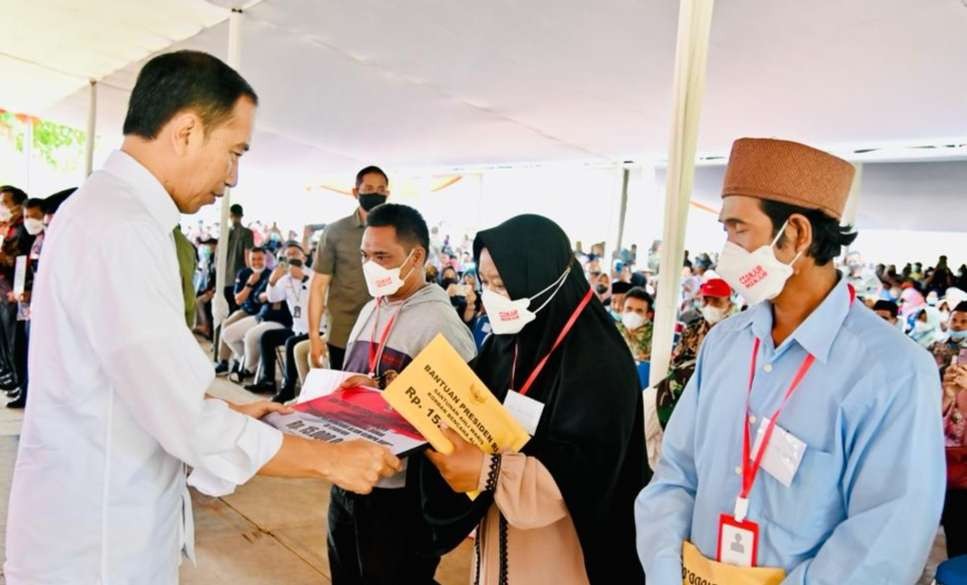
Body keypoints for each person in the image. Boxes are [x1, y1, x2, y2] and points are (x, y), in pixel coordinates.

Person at [3, 50, 400, 585]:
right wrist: (331, 460)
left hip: (103, 522)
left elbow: (127, 381)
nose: (233, 175)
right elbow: (180, 418)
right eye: (234, 150)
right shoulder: (120, 226)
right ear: (187, 131)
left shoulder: (113, 213)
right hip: (98, 546)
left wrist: (227, 409)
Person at [635, 138, 944, 584]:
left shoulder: (891, 371)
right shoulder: (725, 345)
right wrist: (664, 573)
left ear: (796, 234)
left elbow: (885, 540)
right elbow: (675, 476)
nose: (727, 251)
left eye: (738, 229)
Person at [415, 214, 648, 585]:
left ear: (542, 280)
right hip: (498, 539)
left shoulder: (599, 361)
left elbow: (587, 472)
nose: (490, 295)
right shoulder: (506, 342)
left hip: (560, 552)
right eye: (485, 281)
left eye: (503, 284)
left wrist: (488, 470)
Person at [327, 203, 477, 585]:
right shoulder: (370, 308)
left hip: (397, 496)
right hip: (348, 478)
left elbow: (460, 423)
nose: (370, 266)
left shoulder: (442, 326)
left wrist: (395, 397)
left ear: (416, 257)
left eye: (382, 256)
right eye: (365, 256)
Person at [646, 278, 738, 464]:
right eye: (706, 300)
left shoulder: (737, 331)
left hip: (715, 396)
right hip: (681, 389)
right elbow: (676, 360)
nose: (710, 305)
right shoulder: (693, 329)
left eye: (716, 301)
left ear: (729, 302)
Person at [307, 166, 388, 370]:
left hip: (386, 332)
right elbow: (318, 286)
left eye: (381, 190)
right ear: (355, 192)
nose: (375, 194)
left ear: (387, 194)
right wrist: (314, 335)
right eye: (368, 188)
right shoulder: (335, 232)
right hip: (344, 332)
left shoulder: (397, 232)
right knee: (344, 395)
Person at [245, 243, 317, 402]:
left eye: (295, 253)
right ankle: (268, 380)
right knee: (267, 336)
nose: (291, 257)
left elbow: (321, 295)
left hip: (316, 330)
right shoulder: (285, 279)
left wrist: (303, 278)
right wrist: (272, 281)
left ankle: (289, 388)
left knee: (291, 342)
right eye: (287, 255)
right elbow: (273, 297)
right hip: (297, 328)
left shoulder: (313, 275)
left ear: (303, 257)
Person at [5, 195, 58, 409]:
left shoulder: (50, 239)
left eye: (34, 217)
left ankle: (30, 392)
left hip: (40, 305)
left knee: (32, 352)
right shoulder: (37, 239)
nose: (30, 221)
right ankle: (25, 389)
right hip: (28, 305)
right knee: (22, 349)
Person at [216, 247, 271, 376]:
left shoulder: (271, 274)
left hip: (262, 313)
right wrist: (249, 284)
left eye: (260, 259)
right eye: (253, 259)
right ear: (249, 259)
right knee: (226, 324)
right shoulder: (243, 273)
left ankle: (240, 360)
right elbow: (239, 300)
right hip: (246, 310)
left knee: (244, 332)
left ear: (266, 259)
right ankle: (225, 361)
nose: (256, 262)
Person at [0, 185, 34, 394]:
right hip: (5, 292)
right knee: (7, 339)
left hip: (17, 293)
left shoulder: (24, 230)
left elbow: (22, 262)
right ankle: (12, 375)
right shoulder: (8, 227)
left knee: (17, 341)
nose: (1, 207)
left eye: (5, 203)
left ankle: (21, 383)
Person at [224, 202, 254, 314]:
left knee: (225, 312)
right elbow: (248, 257)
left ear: (229, 215)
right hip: (240, 278)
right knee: (237, 311)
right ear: (242, 216)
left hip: (224, 279)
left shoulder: (225, 232)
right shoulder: (247, 233)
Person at [616, 287, 654, 362]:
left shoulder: (656, 337)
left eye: (639, 311)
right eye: (629, 309)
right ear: (622, 309)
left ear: (648, 315)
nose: (633, 314)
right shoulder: (614, 331)